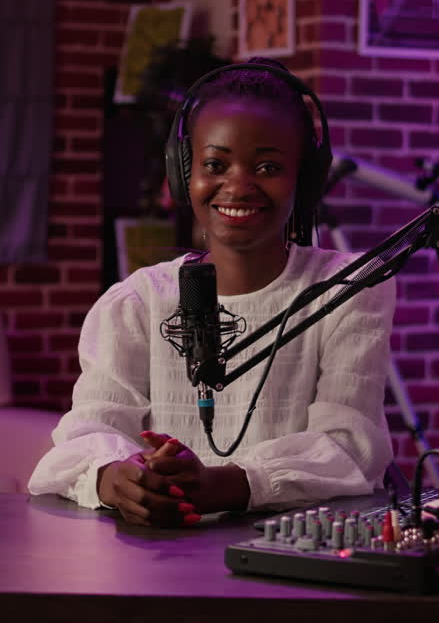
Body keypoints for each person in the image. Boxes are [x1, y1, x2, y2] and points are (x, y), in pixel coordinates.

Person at [27, 59, 396, 527]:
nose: (238, 186)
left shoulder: (345, 290)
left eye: (268, 166)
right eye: (215, 165)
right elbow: (87, 434)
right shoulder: (139, 302)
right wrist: (115, 478)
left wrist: (224, 485)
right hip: (155, 557)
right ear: (184, 174)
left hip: (293, 557)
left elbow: (349, 447)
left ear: (304, 179)